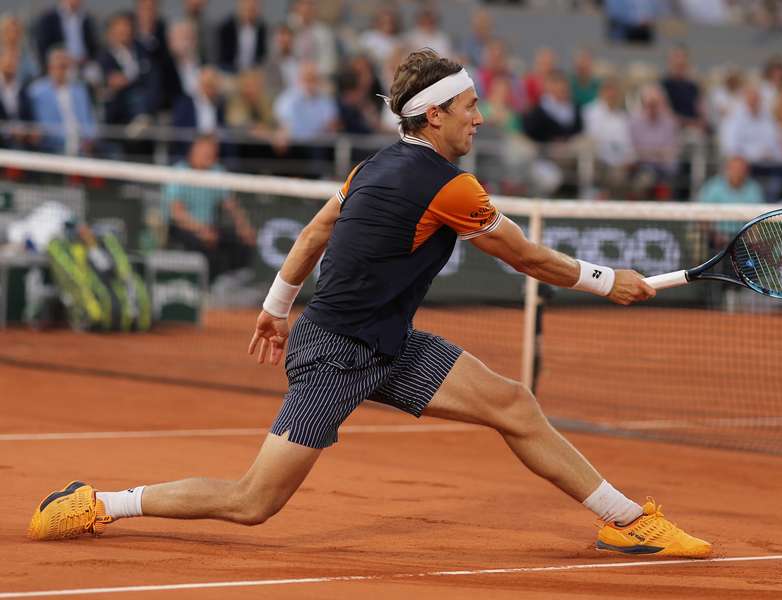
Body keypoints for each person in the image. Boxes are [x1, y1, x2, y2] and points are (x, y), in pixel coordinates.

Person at [26, 49, 711, 560]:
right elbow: (527, 257)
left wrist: (275, 304)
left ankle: (626, 521)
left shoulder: (373, 167)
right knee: (253, 501)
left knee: (513, 403)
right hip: (335, 354)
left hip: (385, 342)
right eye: (470, 105)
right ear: (435, 114)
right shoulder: (451, 186)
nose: (481, 115)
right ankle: (101, 504)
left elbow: (316, 229)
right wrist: (606, 280)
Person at [158, 134, 256, 281]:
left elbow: (231, 204)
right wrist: (201, 230)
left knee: (238, 241)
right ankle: (206, 287)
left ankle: (234, 283)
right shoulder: (178, 172)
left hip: (209, 228)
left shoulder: (217, 171)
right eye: (206, 151)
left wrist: (244, 226)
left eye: (213, 152)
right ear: (194, 150)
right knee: (201, 245)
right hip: (183, 229)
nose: (210, 155)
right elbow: (177, 213)